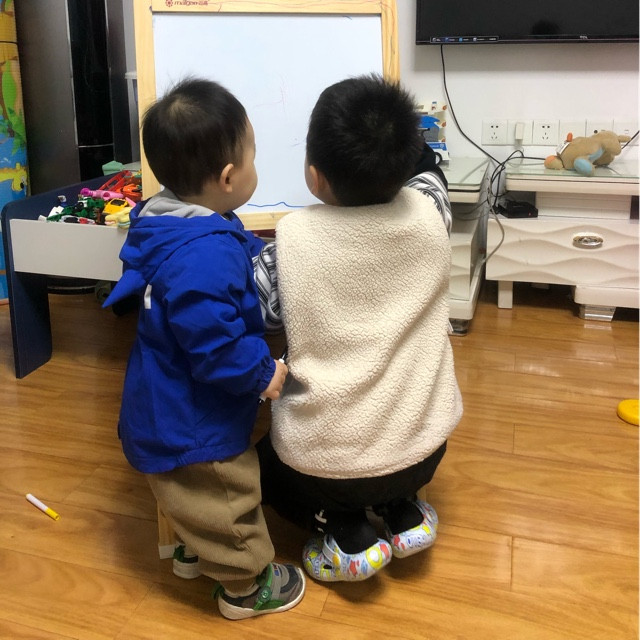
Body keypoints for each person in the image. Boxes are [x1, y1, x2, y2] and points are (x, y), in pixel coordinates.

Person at [103, 77, 305, 619]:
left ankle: (195, 551)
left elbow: (223, 258)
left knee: (195, 499)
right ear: (228, 177)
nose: (257, 167)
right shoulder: (203, 255)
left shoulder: (169, 218)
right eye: (254, 156)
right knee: (226, 496)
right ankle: (245, 586)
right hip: (190, 420)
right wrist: (261, 372)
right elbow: (214, 344)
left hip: (164, 396)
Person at [257, 74, 463, 583]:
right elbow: (429, 172)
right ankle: (404, 513)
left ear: (314, 175)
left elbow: (258, 311)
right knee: (391, 466)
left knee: (264, 468)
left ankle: (346, 535)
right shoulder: (432, 212)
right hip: (424, 447)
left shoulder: (288, 250)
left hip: (325, 468)